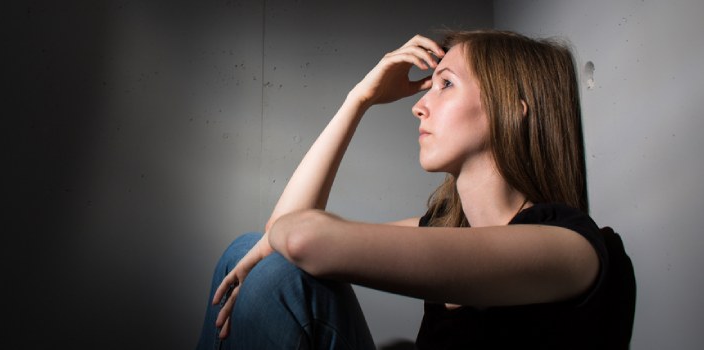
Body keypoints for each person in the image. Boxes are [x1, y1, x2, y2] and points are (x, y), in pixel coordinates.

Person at [196, 30, 636, 349]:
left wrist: (284, 238)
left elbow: (299, 238)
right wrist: (359, 100)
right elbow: (279, 235)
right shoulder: (442, 231)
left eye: (445, 84)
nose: (418, 105)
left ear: (512, 110)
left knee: (277, 272)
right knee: (247, 253)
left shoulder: (572, 247)